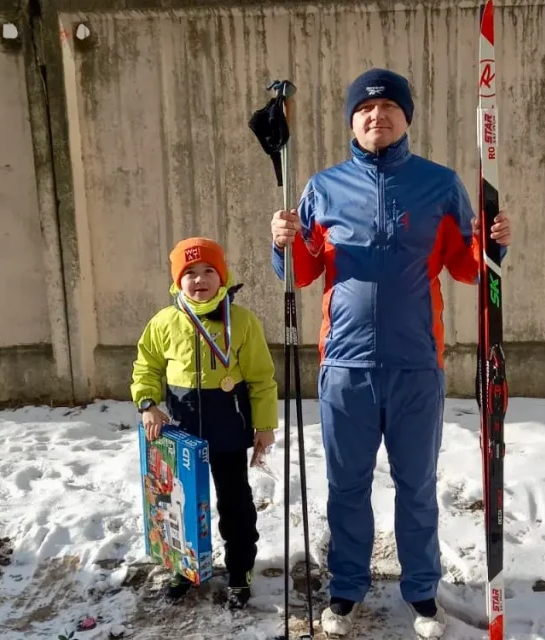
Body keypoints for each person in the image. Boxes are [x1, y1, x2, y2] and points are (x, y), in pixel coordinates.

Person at [269, 68, 512, 638]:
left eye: (388, 108)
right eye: (365, 109)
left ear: (406, 117)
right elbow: (301, 273)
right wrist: (283, 243)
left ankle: (422, 593)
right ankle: (347, 589)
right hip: (345, 370)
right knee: (347, 487)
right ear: (352, 120)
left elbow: (467, 267)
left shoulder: (439, 185)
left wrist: (494, 244)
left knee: (417, 485)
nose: (377, 116)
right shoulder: (322, 188)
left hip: (416, 367)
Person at [131, 236, 279, 610]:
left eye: (208, 271)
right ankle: (183, 566)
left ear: (222, 276)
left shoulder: (242, 322)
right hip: (180, 436)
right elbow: (146, 365)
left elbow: (262, 379)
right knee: (178, 505)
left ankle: (240, 570)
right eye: (190, 273)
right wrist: (148, 403)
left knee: (235, 505)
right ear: (177, 281)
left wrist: (263, 426)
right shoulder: (164, 322)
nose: (199, 280)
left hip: (227, 432)